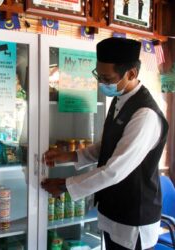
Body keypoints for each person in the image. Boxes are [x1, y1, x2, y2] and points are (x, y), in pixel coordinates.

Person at [42, 37, 168, 250]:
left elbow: (114, 170)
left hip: (132, 219)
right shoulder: (121, 99)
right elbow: (107, 145)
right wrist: (71, 156)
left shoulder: (144, 115)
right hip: (112, 210)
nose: (101, 83)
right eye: (98, 76)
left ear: (131, 74)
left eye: (107, 78)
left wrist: (65, 185)